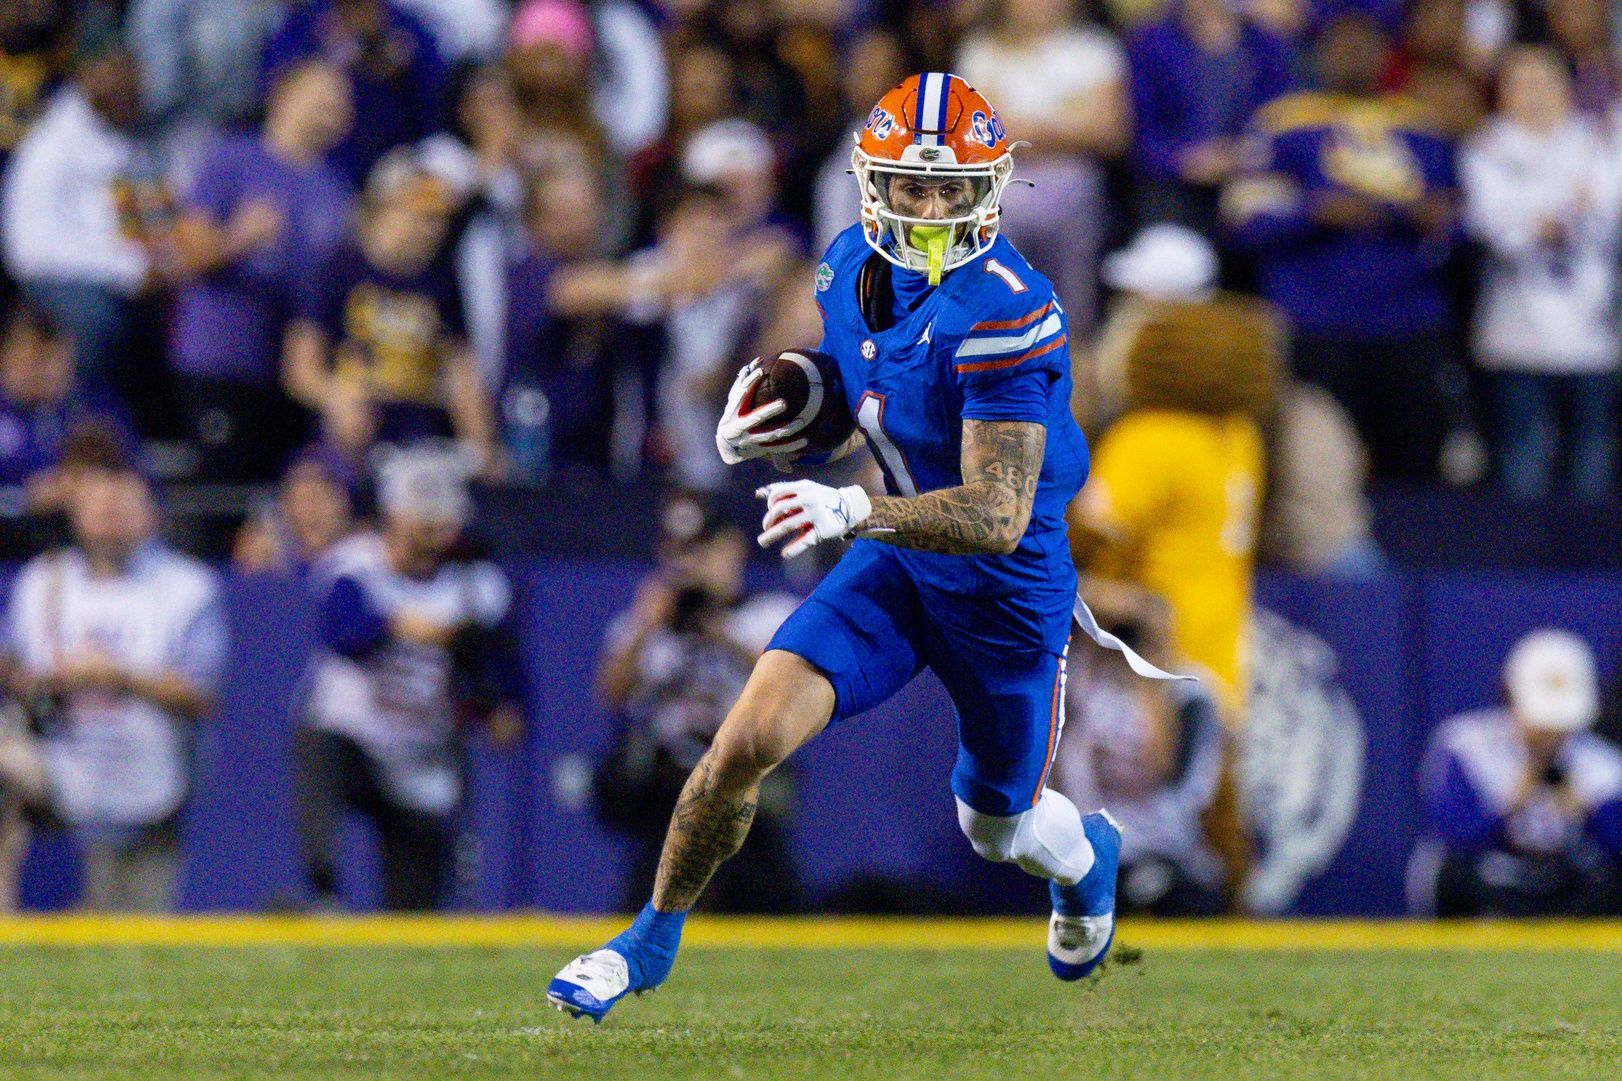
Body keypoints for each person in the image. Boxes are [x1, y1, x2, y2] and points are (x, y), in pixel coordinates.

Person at [549, 73, 1185, 1024]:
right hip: (897, 563)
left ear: (991, 189)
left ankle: (1086, 856)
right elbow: (861, 387)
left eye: (949, 188)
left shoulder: (1011, 309)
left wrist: (855, 511)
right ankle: (644, 940)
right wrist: (782, 400)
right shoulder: (847, 263)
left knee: (997, 824)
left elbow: (997, 512)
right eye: (909, 184)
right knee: (743, 741)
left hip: (1003, 595)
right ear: (869, 180)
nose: (928, 208)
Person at [1222, 11, 1468, 482]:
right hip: (1315, 320)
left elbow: (1463, 224)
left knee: (1415, 465)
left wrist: (1427, 219)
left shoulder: (1424, 127)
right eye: (1342, 42)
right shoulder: (1282, 123)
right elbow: (1245, 220)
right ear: (1320, 51)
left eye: (1367, 42)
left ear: (1386, 53)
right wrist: (1314, 213)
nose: (1354, 53)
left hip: (1409, 321)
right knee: (1314, 464)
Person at [295, 444, 521, 910]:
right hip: (354, 735)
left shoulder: (477, 585)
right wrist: (408, 627)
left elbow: (503, 678)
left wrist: (498, 706)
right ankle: (324, 890)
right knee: (317, 745)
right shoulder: (355, 564)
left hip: (423, 752)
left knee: (413, 908)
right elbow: (343, 635)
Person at [0, 449, 226, 911]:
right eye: (98, 508)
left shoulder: (186, 586)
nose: (108, 519)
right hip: (62, 764)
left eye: (121, 508)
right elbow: (16, 671)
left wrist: (115, 676)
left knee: (138, 933)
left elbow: (203, 695)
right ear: (77, 515)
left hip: (153, 776)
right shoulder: (42, 581)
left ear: (149, 516)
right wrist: (40, 680)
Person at [594, 492, 801, 913]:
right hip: (668, 795)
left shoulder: (765, 613)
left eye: (701, 548)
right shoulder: (650, 624)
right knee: (646, 911)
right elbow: (610, 691)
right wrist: (648, 624)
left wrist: (715, 628)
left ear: (732, 549)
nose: (689, 561)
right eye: (678, 549)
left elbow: (786, 687)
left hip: (744, 790)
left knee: (773, 915)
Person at [168, 60, 355, 482]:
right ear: (283, 95)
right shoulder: (231, 158)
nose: (336, 103)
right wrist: (239, 237)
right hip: (220, 357)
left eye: (343, 97)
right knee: (223, 488)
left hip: (293, 369)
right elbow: (184, 257)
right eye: (323, 90)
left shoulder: (336, 188)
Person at [1461, 46, 1621, 503]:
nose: (1534, 94)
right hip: (1517, 335)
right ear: (1502, 92)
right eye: (1521, 83)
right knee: (1521, 465)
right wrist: (1561, 208)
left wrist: (1544, 212)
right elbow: (1495, 227)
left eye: (1543, 81)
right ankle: (1519, 571)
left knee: (1592, 465)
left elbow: (1609, 214)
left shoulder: (1601, 141)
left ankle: (1591, 572)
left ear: (1566, 87)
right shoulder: (1487, 147)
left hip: (1593, 335)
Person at [283, 149, 502, 477]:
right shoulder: (339, 269)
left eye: (442, 218)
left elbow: (462, 373)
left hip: (422, 443)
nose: (435, 229)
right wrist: (335, 398)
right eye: (424, 215)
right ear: (385, 206)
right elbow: (300, 370)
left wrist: (482, 446)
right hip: (352, 443)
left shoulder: (442, 280)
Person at [1049, 581, 1229, 916]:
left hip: (1169, 850)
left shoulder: (1193, 694)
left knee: (1184, 893)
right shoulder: (1091, 685)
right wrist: (1114, 602)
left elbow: (1185, 792)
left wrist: (1150, 689)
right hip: (1091, 847)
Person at [1416, 630, 1622, 916]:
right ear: (1511, 696)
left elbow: (1615, 850)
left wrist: (1590, 812)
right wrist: (1510, 804)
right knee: (1450, 874)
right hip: (1498, 883)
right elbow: (1456, 838)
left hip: (1567, 889)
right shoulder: (1468, 746)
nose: (1550, 734)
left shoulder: (1602, 761)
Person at [0, 300, 137, 512]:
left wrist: (88, 486)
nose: (38, 372)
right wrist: (25, 499)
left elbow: (136, 475)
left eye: (48, 358)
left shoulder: (96, 405)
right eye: (27, 358)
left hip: (88, 531)